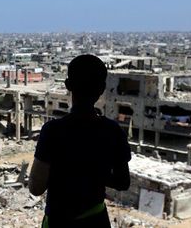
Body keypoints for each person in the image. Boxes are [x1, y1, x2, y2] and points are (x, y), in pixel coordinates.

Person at [29, 55, 131, 228]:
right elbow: (123, 182)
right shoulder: (113, 131)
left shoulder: (53, 131)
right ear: (102, 88)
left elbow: (36, 188)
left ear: (68, 86)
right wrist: (94, 174)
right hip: (96, 221)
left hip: (59, 222)